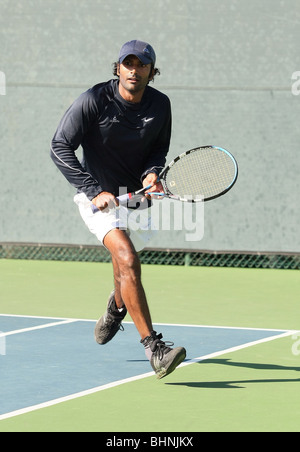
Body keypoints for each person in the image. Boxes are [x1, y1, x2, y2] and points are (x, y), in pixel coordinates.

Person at [50, 39, 186, 379]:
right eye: (128, 63)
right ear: (118, 67)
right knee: (127, 258)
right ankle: (154, 349)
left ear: (152, 72)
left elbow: (158, 149)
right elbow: (59, 146)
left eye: (141, 65)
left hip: (135, 197)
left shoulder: (161, 105)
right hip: (95, 198)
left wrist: (152, 173)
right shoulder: (93, 100)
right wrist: (94, 190)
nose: (134, 70)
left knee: (124, 263)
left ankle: (116, 307)